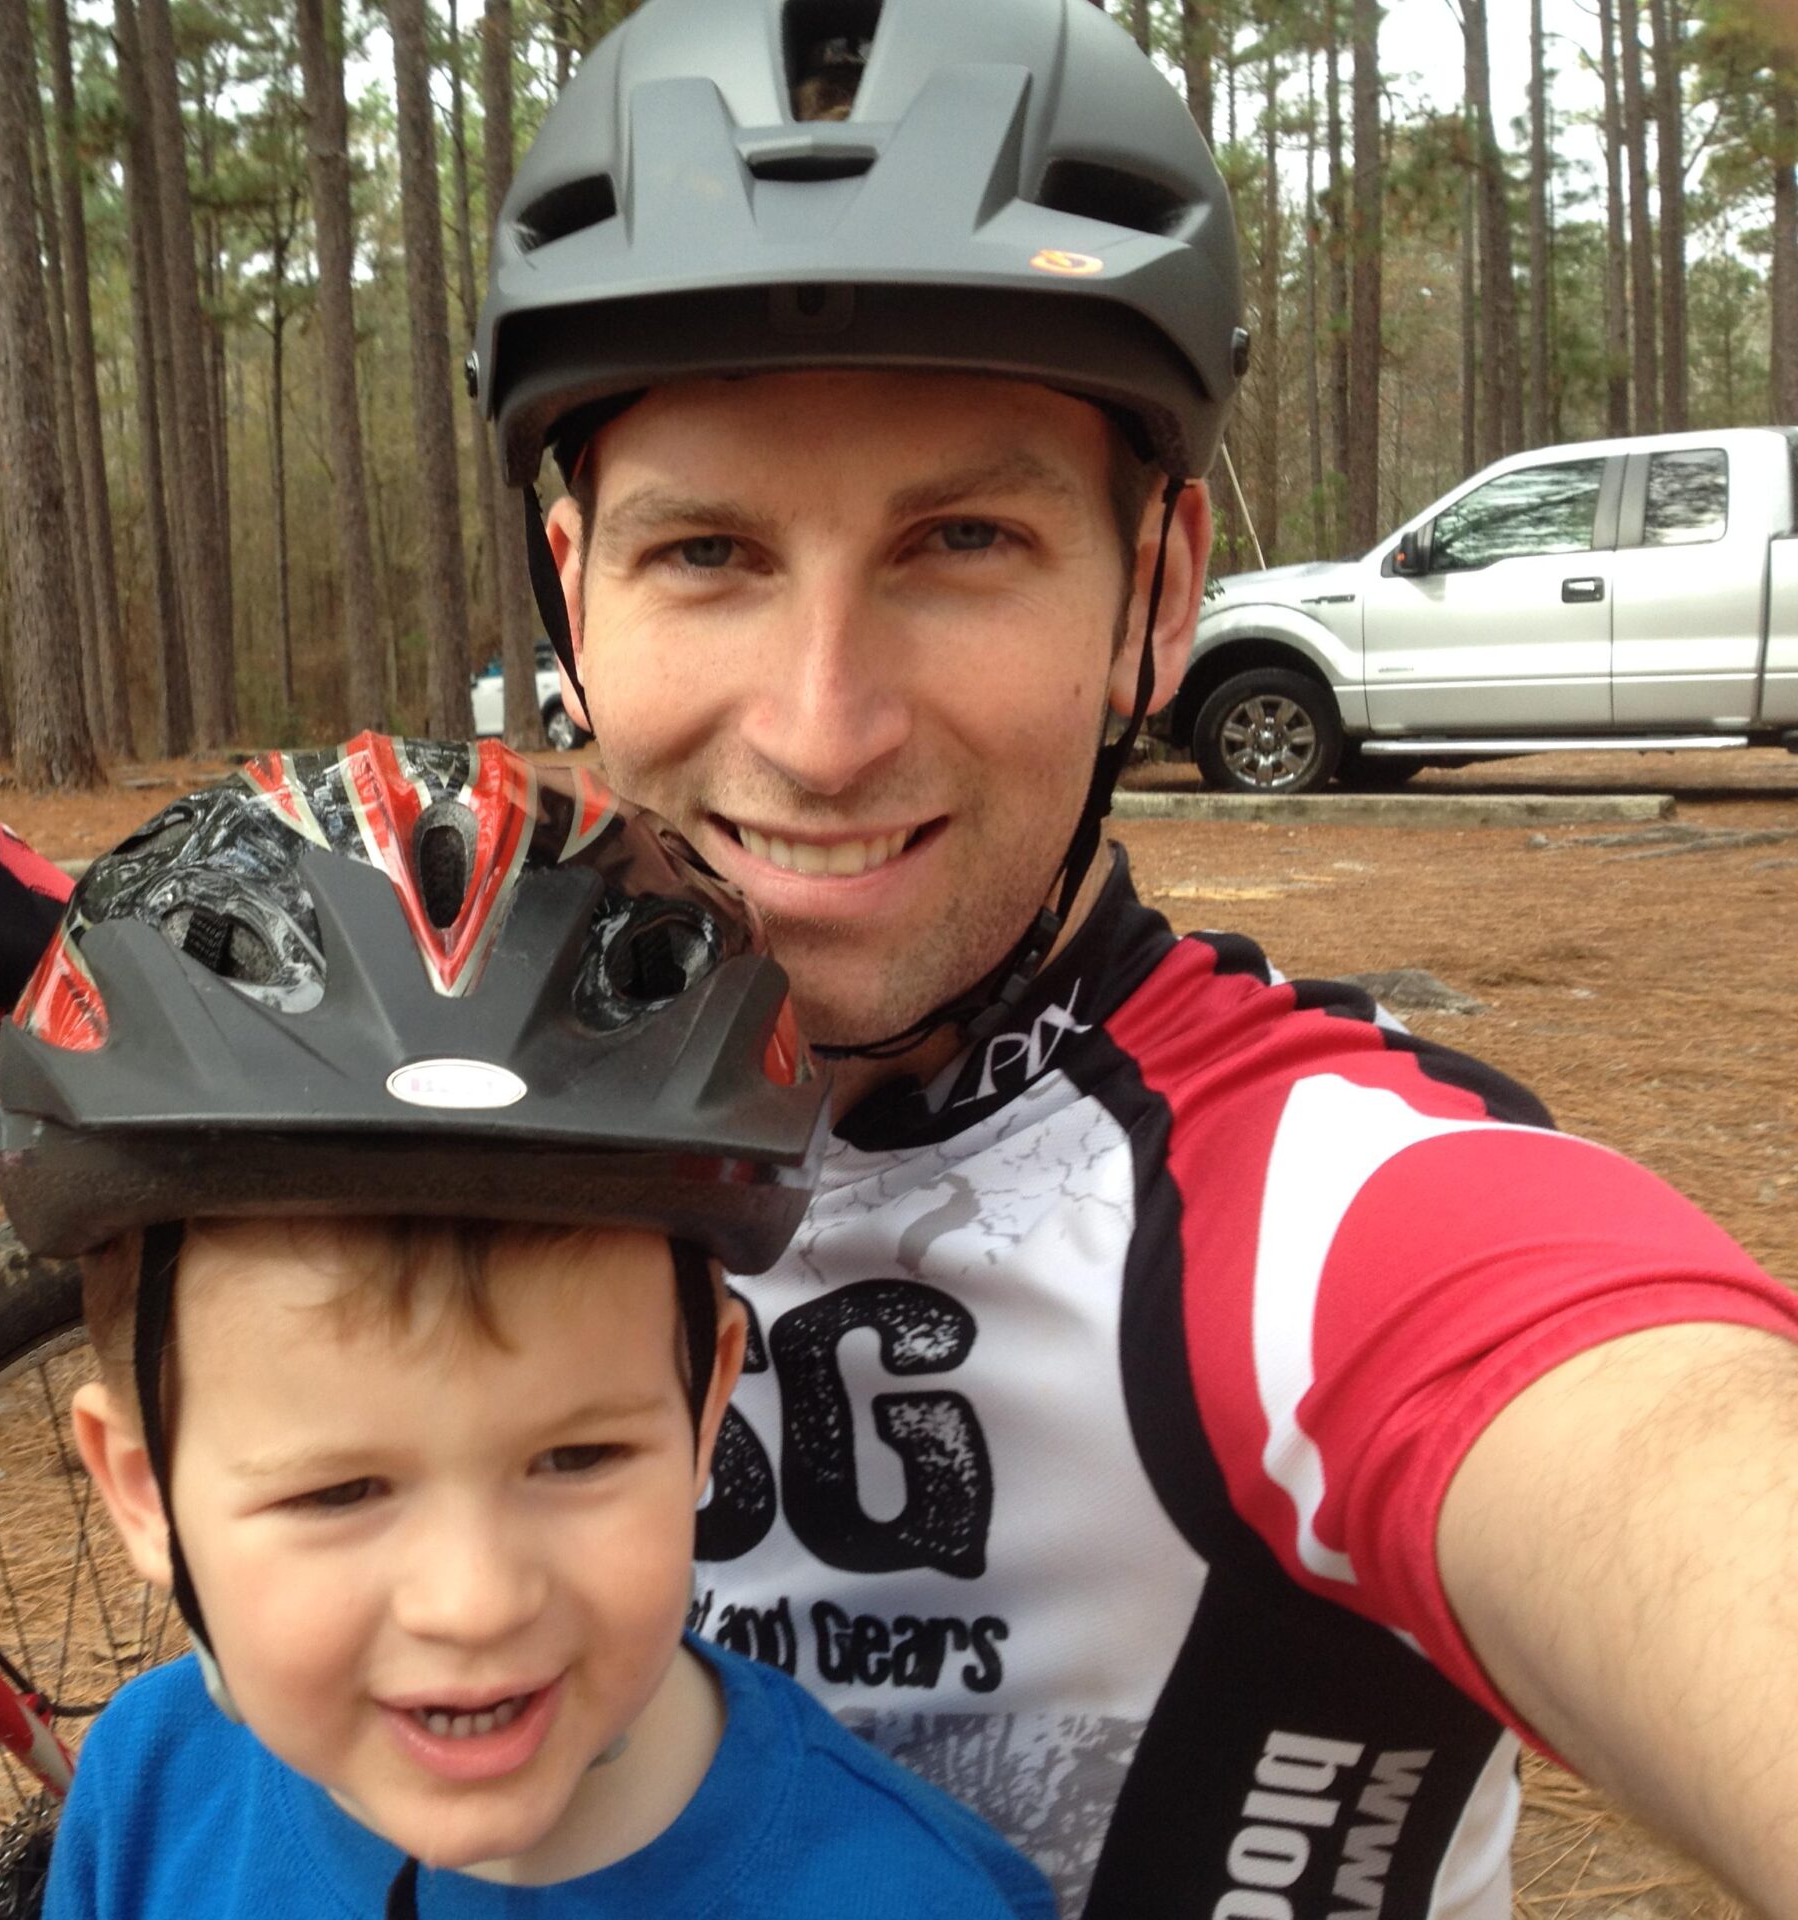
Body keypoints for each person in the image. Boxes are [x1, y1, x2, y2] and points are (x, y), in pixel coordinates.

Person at [453, 1, 1798, 1914]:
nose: (822, 731)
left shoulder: (1314, 1222)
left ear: (1157, 594)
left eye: (963, 542)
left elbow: (1616, 1412)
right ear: (574, 587)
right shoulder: (452, 1106)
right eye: (711, 557)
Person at [0, 737, 1058, 1919]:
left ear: (704, 1410)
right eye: (338, 1492)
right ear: (142, 1488)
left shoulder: (903, 1899)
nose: (475, 1602)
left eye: (578, 1458)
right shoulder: (149, 1787)